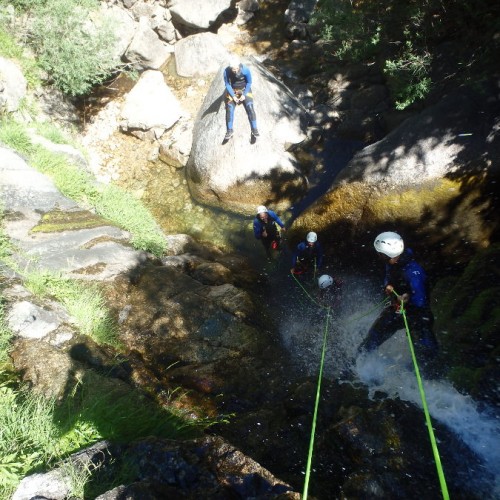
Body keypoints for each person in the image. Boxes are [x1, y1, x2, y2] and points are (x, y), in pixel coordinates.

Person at [358, 231, 438, 362]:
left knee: (426, 352)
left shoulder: (413, 272)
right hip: (398, 309)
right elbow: (388, 276)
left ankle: (430, 372)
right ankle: (359, 362)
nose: (379, 256)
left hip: (418, 315)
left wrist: (408, 297)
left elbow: (421, 301)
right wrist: (388, 285)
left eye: (381, 255)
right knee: (373, 338)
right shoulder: (393, 261)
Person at [223, 55, 259, 141]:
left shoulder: (245, 69)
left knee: (250, 107)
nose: (235, 71)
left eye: (236, 68)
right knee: (229, 108)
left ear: (239, 66)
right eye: (233, 69)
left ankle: (254, 129)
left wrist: (244, 94)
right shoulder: (226, 71)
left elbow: (249, 82)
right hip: (233, 90)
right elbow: (227, 84)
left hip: (244, 90)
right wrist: (233, 96)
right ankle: (229, 130)